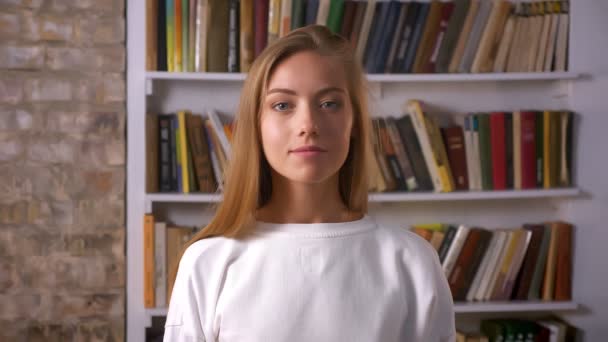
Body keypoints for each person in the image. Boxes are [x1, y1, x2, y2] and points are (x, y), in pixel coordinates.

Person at [163, 25, 455, 342]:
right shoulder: (207, 263)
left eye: (329, 103)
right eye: (283, 105)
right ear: (256, 124)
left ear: (354, 121)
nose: (308, 125)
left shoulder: (412, 261)